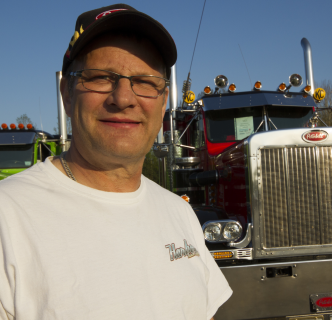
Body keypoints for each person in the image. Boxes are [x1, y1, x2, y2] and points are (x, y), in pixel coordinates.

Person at [0, 4, 232, 320]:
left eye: (145, 81)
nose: (123, 98)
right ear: (67, 93)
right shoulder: (9, 217)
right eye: (99, 78)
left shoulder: (178, 212)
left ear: (163, 102)